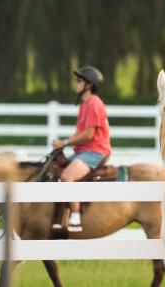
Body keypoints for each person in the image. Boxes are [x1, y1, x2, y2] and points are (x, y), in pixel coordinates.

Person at [52, 66, 111, 232]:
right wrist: (63, 144)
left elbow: (88, 134)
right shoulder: (85, 105)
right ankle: (60, 215)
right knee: (54, 169)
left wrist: (64, 142)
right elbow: (80, 133)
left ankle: (76, 217)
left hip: (95, 150)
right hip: (84, 151)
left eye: (79, 81)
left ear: (89, 85)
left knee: (67, 176)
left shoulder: (94, 104)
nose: (76, 84)